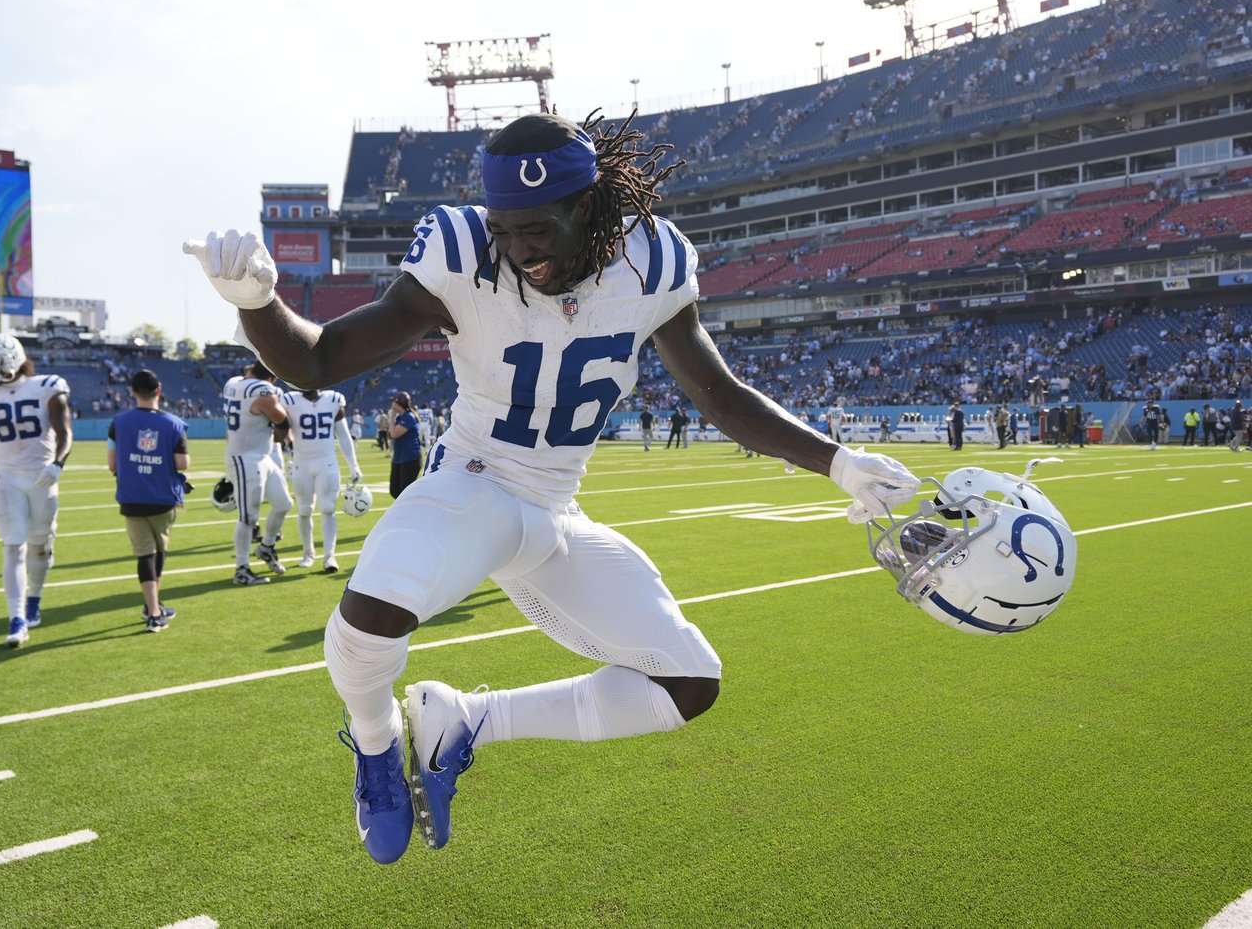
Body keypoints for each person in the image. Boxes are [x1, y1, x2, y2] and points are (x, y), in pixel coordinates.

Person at [185, 110, 919, 866]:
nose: (518, 249)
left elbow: (719, 394)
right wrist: (256, 304)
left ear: (590, 207)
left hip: (555, 510)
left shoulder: (653, 261)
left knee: (690, 681)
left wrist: (839, 462)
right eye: (505, 228)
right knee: (373, 613)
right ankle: (376, 748)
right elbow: (321, 360)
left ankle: (465, 720)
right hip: (473, 482)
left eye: (537, 229)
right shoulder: (464, 250)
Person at [0, 334, 72, 648]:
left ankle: (33, 597)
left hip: (41, 477)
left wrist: (58, 463)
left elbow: (65, 431)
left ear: (11, 358)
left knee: (40, 547)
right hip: (7, 478)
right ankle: (17, 617)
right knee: (13, 547)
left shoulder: (48, 386)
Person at [107, 370, 189, 632]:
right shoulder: (174, 423)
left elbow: (111, 464)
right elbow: (182, 463)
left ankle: (152, 606)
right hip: (163, 497)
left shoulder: (118, 422)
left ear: (132, 392)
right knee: (159, 551)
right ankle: (154, 611)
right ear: (159, 390)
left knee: (145, 554)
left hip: (132, 497)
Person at [222, 361, 293, 584]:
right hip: (245, 458)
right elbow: (282, 421)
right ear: (270, 378)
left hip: (261, 456)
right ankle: (241, 569)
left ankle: (267, 546)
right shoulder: (263, 391)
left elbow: (247, 376)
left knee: (283, 504)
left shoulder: (233, 383)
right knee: (248, 517)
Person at [281, 385, 363, 571]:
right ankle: (308, 553)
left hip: (327, 462)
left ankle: (329, 556)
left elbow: (343, 435)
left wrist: (354, 464)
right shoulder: (289, 400)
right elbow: (279, 427)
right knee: (304, 510)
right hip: (302, 462)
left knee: (328, 509)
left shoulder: (333, 400)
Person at [386, 391, 421, 498]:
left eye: (394, 403)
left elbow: (393, 434)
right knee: (394, 491)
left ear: (398, 404)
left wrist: (391, 417)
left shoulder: (408, 417)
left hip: (410, 459)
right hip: (399, 458)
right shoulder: (401, 417)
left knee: (404, 494)